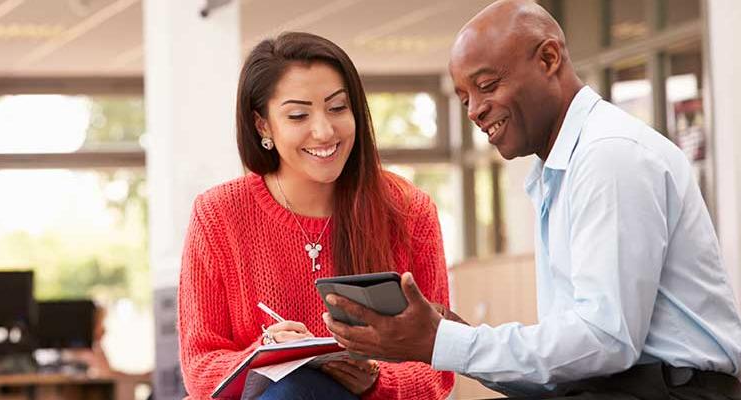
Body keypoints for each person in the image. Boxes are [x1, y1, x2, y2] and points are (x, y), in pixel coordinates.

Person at [323, 1, 741, 398]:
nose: (474, 111)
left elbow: (605, 341)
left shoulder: (610, 155)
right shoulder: (557, 172)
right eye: (465, 98)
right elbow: (569, 368)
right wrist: (446, 334)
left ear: (548, 59)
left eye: (486, 86)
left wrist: (445, 341)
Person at [178, 31, 453, 399]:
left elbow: (439, 369)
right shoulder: (218, 214)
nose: (324, 131)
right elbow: (200, 369)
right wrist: (264, 353)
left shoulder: (407, 209)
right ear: (263, 125)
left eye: (338, 108)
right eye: (298, 115)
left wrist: (375, 379)